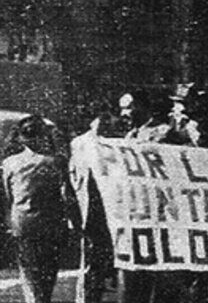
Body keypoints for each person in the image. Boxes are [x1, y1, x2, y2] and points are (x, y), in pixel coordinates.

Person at [2, 115, 81, 303]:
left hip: (23, 224)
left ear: (21, 138)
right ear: (44, 136)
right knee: (48, 272)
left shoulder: (10, 163)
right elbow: (66, 195)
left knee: (29, 272)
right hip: (51, 225)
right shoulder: (56, 162)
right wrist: (75, 223)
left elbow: (8, 195)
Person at [70, 108, 114, 303]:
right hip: (88, 206)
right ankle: (86, 297)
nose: (104, 124)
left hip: (107, 207)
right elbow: (72, 173)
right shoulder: (79, 143)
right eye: (100, 119)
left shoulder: (114, 143)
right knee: (89, 256)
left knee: (104, 256)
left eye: (108, 121)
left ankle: (96, 293)